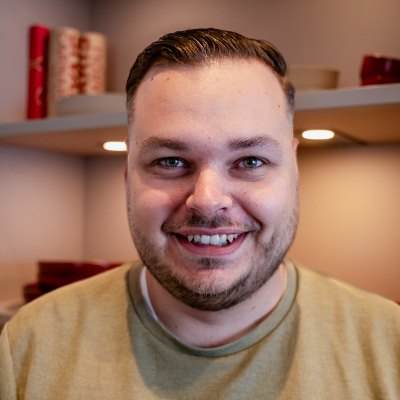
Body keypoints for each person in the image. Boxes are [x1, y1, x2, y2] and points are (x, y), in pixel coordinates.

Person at [1, 28, 399, 399]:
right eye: (171, 161)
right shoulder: (27, 347)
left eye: (250, 161)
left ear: (293, 171)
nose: (207, 200)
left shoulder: (389, 345)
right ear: (128, 174)